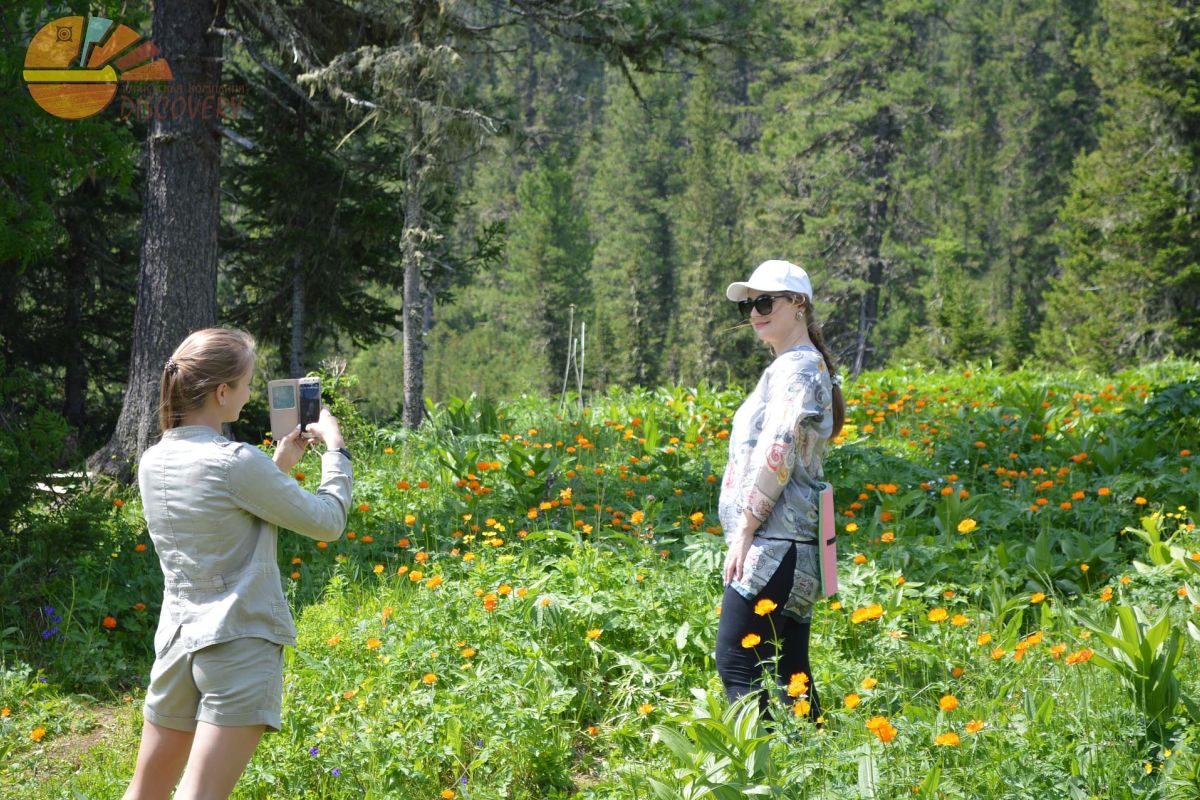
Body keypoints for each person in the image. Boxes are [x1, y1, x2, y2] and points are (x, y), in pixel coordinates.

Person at [122, 328, 353, 800]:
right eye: (247, 385)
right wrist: (337, 451)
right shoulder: (234, 462)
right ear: (222, 392)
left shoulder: (153, 461)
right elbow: (329, 522)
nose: (249, 397)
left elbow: (219, 515)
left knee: (145, 791)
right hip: (238, 643)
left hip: (177, 645)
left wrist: (277, 466)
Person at [715, 260, 845, 723]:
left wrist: (746, 529)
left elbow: (781, 445)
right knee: (792, 671)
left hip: (773, 544)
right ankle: (817, 772)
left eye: (765, 301)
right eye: (750, 304)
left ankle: (761, 773)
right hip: (791, 545)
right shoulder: (799, 367)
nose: (754, 312)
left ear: (799, 306)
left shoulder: (798, 370)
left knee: (734, 659)